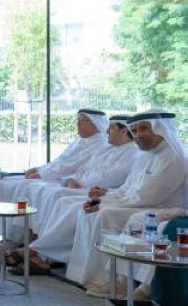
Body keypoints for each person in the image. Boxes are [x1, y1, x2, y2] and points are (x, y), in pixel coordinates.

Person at [65, 111, 187, 295]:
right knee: (89, 211)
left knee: (107, 214)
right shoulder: (144, 155)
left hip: (162, 207)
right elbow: (127, 188)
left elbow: (150, 195)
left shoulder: (173, 157)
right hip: (141, 203)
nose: (137, 135)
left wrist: (105, 204)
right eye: (134, 130)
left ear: (160, 129)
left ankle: (116, 280)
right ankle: (90, 275)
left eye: (144, 129)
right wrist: (102, 199)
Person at [11, 115, 138, 273]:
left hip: (96, 189)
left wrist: (81, 184)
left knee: (61, 199)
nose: (107, 131)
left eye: (111, 128)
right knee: (55, 197)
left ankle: (40, 253)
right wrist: (73, 179)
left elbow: (112, 177)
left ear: (124, 131)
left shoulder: (132, 152)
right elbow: (83, 168)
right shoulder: (106, 149)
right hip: (89, 187)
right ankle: (33, 245)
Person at [0, 108, 109, 205]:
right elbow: (60, 161)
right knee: (6, 182)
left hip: (63, 178)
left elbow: (69, 166)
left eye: (84, 120)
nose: (78, 123)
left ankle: (21, 224)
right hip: (54, 175)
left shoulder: (98, 143)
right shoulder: (80, 141)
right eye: (78, 120)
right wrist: (38, 169)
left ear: (96, 123)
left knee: (24, 186)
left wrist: (42, 174)